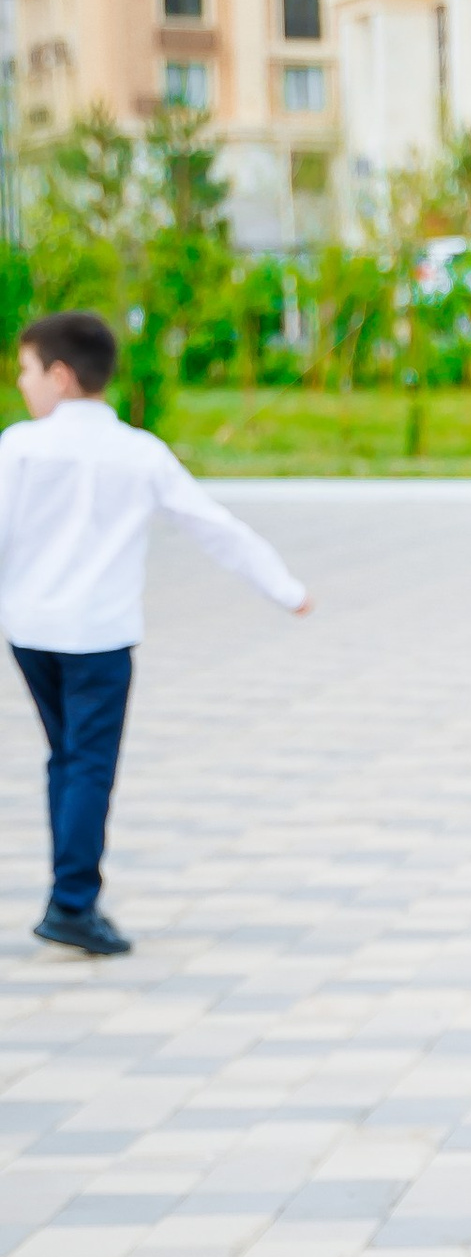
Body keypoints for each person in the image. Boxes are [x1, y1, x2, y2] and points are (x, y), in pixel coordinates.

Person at [1, 311, 311, 959]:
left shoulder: (18, 447)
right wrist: (285, 589)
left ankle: (71, 894)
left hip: (31, 632)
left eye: (26, 370)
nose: (21, 383)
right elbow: (213, 527)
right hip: (100, 636)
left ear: (60, 376)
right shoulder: (139, 453)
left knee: (65, 757)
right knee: (87, 763)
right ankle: (72, 903)